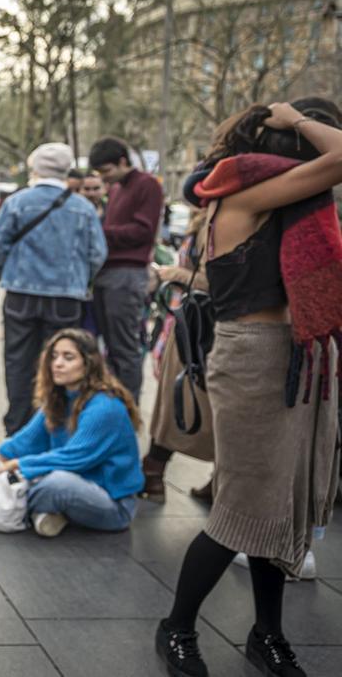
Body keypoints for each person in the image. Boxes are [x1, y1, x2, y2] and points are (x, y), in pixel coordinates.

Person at [157, 99, 342, 677]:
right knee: (241, 505)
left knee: (279, 507)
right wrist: (297, 117)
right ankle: (178, 627)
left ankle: (268, 633)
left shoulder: (279, 199)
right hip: (256, 360)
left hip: (303, 358)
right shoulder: (240, 193)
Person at [0, 142, 108, 434]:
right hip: (66, 297)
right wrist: (80, 279)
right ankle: (53, 425)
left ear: (35, 169)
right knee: (61, 362)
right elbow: (97, 255)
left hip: (21, 294)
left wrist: (9, 273)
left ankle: (16, 428)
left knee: (18, 362)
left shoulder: (17, 202)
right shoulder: (83, 208)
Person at [0, 328, 143, 536]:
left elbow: (74, 457)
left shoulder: (105, 407)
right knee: (18, 477)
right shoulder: (60, 396)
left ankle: (40, 508)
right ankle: (46, 512)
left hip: (113, 504)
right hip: (77, 479)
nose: (57, 364)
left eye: (68, 357)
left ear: (89, 363)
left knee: (54, 483)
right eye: (54, 356)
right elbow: (25, 441)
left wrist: (15, 465)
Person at [140, 210, 215, 504]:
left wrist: (177, 274)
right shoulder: (206, 217)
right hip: (189, 324)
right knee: (175, 401)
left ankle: (154, 471)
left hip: (204, 331)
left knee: (187, 403)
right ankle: (154, 471)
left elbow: (220, 281)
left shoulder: (225, 214)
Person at [88, 136, 164, 403]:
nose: (105, 179)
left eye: (107, 172)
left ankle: (128, 408)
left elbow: (143, 231)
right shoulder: (117, 189)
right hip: (107, 273)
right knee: (110, 347)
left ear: (123, 161)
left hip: (127, 274)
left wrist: (99, 231)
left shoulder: (147, 185)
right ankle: (114, 403)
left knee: (125, 348)